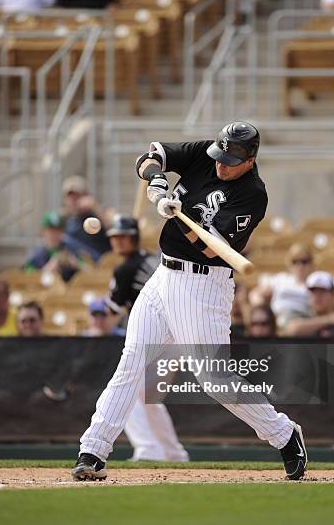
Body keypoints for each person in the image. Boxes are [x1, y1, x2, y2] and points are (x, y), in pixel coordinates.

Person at [72, 121, 308, 483]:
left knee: (214, 379)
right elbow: (151, 155)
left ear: (250, 159)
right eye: (220, 156)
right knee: (131, 362)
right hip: (163, 276)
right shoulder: (207, 154)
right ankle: (94, 449)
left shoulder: (252, 194)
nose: (221, 165)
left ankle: (284, 434)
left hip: (203, 286)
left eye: (230, 160)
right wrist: (156, 181)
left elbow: (212, 249)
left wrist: (179, 215)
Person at [105, 214, 189, 462]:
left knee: (128, 392)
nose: (119, 242)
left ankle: (148, 449)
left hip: (158, 334)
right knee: (148, 398)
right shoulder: (155, 258)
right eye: (116, 237)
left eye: (124, 237)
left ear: (134, 238)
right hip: (177, 333)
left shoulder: (125, 269)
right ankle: (174, 453)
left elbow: (111, 310)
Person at [248, 243, 313, 329]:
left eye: (304, 261)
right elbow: (255, 294)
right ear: (289, 264)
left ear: (311, 263)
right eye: (295, 261)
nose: (300, 266)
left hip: (303, 323)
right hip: (277, 321)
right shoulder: (281, 279)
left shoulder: (315, 282)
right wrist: (267, 312)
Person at [286, 271, 334, 339]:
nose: (317, 297)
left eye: (322, 292)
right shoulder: (303, 317)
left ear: (333, 294)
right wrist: (330, 319)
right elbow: (292, 330)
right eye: (313, 292)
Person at [62, 175, 112, 262]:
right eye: (70, 197)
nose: (74, 200)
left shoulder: (99, 212)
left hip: (101, 267)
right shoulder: (67, 219)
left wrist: (95, 207)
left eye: (77, 196)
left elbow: (113, 226)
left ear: (86, 195)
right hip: (79, 270)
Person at [24, 211, 84, 283]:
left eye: (58, 230)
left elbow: (91, 272)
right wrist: (48, 268)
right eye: (51, 231)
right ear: (43, 231)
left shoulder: (71, 249)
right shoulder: (36, 256)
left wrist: (75, 264)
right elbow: (25, 279)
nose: (55, 234)